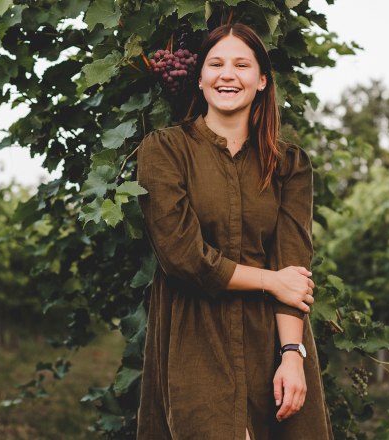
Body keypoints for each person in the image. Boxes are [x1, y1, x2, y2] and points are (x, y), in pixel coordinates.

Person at [136, 23, 334, 440]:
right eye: (216, 64)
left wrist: (292, 356)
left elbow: (293, 268)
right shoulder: (165, 150)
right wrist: (270, 280)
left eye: (242, 64)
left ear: (261, 80)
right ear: (201, 77)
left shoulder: (289, 165)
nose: (228, 74)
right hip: (194, 335)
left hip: (270, 337)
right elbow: (182, 257)